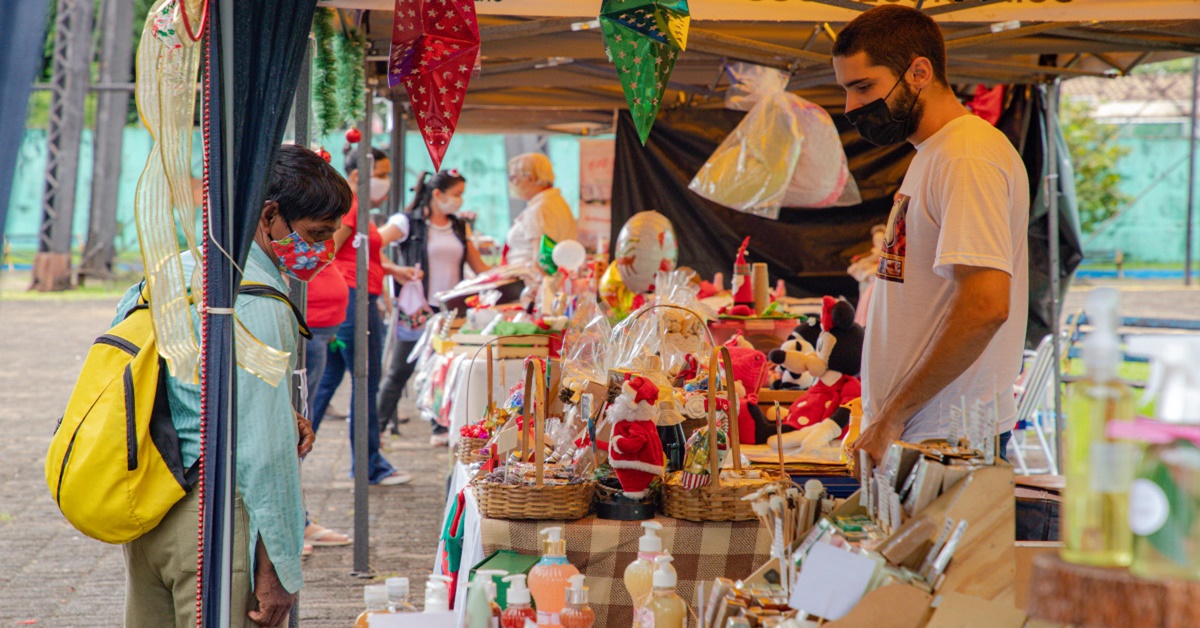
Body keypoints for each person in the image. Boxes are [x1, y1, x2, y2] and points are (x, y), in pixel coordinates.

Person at [119, 145, 345, 627]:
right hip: (217, 518)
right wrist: (279, 567)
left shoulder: (172, 273)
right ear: (269, 216)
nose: (323, 250)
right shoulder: (257, 304)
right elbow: (264, 455)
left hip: (152, 511)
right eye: (316, 234)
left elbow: (168, 384)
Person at [832, 6, 1030, 464]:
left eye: (864, 87)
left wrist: (892, 416)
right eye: (847, 90)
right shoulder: (936, 153)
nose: (851, 107)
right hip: (925, 434)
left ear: (919, 71)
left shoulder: (966, 158)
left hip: (945, 442)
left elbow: (984, 307)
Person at [309, 146, 420, 485]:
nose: (385, 182)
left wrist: (389, 269)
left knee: (327, 382)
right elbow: (327, 251)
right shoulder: (351, 208)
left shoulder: (357, 209)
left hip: (353, 298)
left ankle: (297, 450)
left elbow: (348, 255)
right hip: (352, 301)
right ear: (358, 176)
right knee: (365, 380)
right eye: (382, 175)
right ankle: (368, 465)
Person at [378, 169, 490, 444]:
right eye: (456, 194)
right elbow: (373, 244)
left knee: (442, 370)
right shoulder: (406, 222)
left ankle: (439, 427)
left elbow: (478, 267)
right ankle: (376, 428)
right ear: (437, 194)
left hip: (451, 310)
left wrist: (506, 278)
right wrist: (393, 269)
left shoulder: (458, 227)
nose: (460, 201)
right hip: (417, 309)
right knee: (400, 370)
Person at [503, 152, 578, 266]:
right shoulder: (557, 202)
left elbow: (540, 260)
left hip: (529, 278)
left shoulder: (538, 209)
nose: (512, 184)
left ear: (531, 178)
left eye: (514, 178)